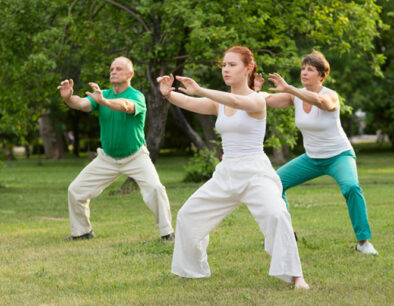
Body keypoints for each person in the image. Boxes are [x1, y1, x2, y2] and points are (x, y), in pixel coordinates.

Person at [157, 46, 310, 289]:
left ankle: (295, 275)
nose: (226, 70)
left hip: (255, 173)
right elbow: (190, 102)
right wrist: (168, 94)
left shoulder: (257, 99)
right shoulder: (218, 103)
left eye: (232, 65)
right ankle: (191, 270)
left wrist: (200, 89)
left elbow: (237, 100)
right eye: (224, 65)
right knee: (187, 216)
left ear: (248, 68)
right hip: (226, 173)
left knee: (277, 215)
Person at [256, 50, 378, 255]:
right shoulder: (294, 96)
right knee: (275, 183)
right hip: (311, 158)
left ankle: (363, 242)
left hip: (339, 155)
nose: (304, 72)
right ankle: (285, 235)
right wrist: (254, 91)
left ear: (321, 76)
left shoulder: (330, 95)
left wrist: (291, 89)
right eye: (303, 68)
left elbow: (323, 103)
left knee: (351, 187)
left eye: (310, 69)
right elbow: (267, 100)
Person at [57, 56, 174, 241]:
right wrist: (68, 98)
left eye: (119, 69)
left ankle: (167, 233)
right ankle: (82, 232)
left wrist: (103, 102)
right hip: (107, 158)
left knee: (155, 189)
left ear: (130, 74)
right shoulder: (102, 95)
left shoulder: (136, 96)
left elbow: (125, 106)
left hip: (136, 156)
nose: (113, 71)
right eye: (112, 68)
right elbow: (81, 104)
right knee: (75, 190)